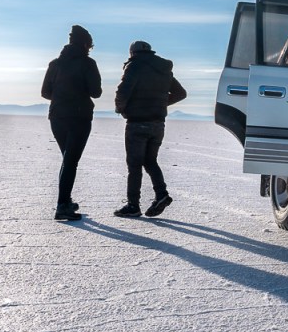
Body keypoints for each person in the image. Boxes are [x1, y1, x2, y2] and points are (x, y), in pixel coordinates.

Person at [113, 41, 187, 218]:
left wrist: (120, 109)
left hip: (137, 123)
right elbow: (181, 93)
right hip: (158, 124)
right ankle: (161, 194)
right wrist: (159, 104)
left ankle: (133, 205)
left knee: (134, 164)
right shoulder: (163, 69)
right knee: (150, 161)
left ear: (132, 53)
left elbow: (122, 92)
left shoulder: (134, 66)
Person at [41, 25, 102, 221]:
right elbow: (96, 92)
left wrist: (61, 97)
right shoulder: (88, 63)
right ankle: (62, 206)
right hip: (79, 117)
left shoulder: (55, 64)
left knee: (68, 159)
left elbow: (45, 92)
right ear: (85, 44)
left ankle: (66, 201)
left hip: (57, 117)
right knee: (70, 161)